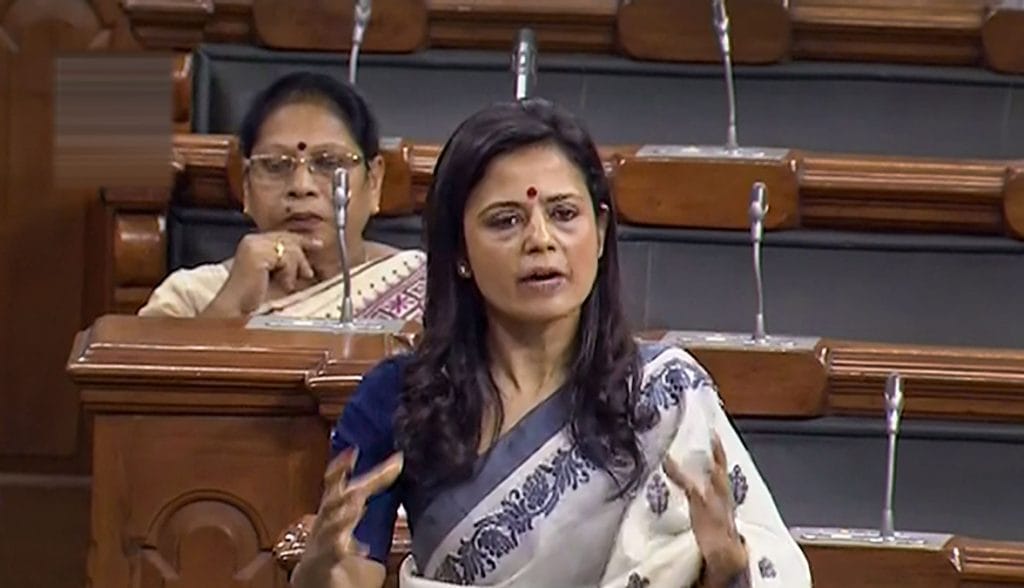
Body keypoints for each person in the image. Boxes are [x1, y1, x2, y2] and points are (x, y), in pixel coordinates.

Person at [289, 99, 811, 587]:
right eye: (506, 220)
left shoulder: (662, 394)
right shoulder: (399, 397)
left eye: (564, 214)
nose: (540, 239)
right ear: (458, 251)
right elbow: (348, 574)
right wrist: (317, 567)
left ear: (601, 232)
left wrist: (726, 565)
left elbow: (762, 568)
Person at [138, 72, 425, 322]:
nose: (301, 186)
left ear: (374, 182)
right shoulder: (192, 296)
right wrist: (230, 305)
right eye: (275, 165)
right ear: (246, 187)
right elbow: (149, 382)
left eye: (329, 163)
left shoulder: (427, 290)